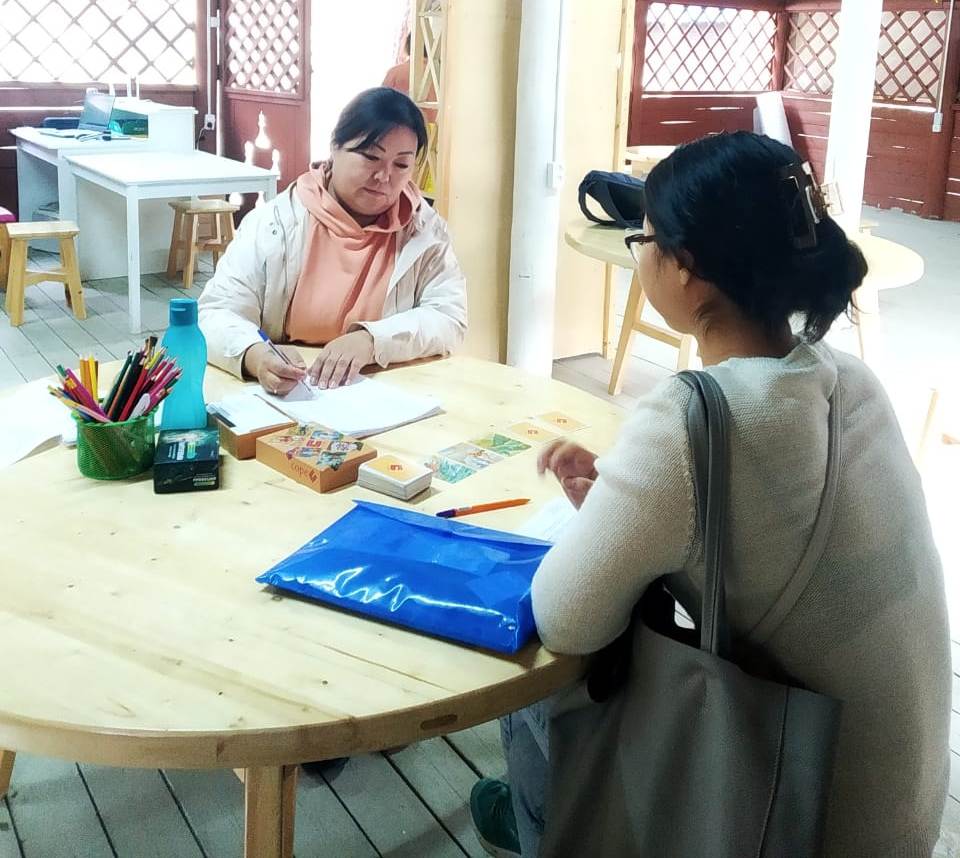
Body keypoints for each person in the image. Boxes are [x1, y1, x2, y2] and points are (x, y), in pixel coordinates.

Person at [470, 131, 950, 857]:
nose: (640, 255)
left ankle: (542, 824)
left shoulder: (692, 419)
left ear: (688, 271)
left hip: (794, 812)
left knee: (542, 660)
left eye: (645, 240)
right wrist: (627, 502)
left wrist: (624, 512)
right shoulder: (848, 379)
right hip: (899, 800)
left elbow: (565, 619)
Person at [198, 87, 466, 392]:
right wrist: (256, 356)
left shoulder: (424, 232)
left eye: (401, 165)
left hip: (385, 390)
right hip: (291, 390)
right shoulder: (276, 223)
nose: (384, 176)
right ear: (334, 149)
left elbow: (448, 318)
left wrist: (372, 341)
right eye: (371, 157)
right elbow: (215, 312)